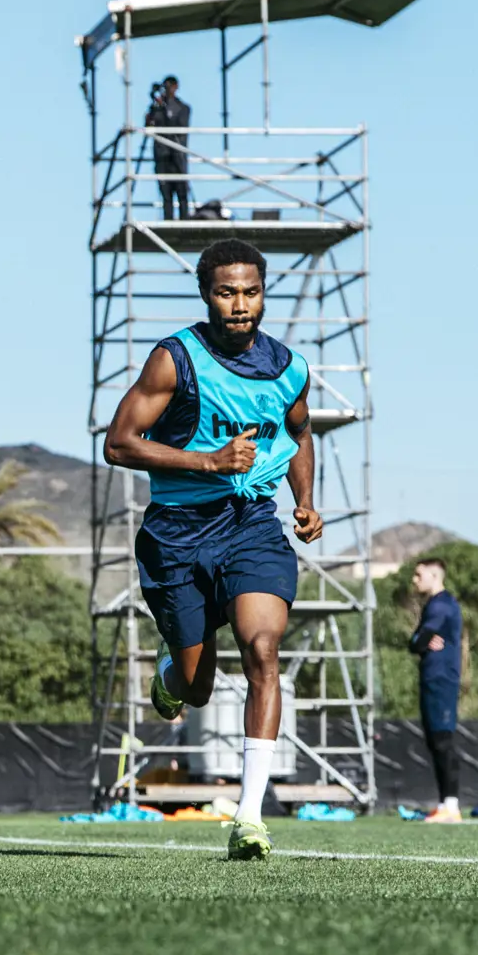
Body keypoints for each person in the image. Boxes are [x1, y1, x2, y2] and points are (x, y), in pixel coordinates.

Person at [102, 236, 321, 862]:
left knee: (263, 650)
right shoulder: (174, 360)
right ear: (207, 295)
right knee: (197, 687)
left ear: (263, 295)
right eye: (226, 293)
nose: (240, 304)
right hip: (177, 533)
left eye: (251, 292)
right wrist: (208, 461)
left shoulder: (290, 368)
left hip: (252, 524)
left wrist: (305, 501)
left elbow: (300, 433)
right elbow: (118, 443)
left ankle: (249, 817)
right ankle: (172, 675)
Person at [406, 559, 464, 823]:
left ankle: (451, 806)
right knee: (435, 741)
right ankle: (444, 804)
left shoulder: (441, 605)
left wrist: (421, 639)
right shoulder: (435, 604)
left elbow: (418, 641)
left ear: (434, 575)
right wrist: (420, 640)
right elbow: (416, 642)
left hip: (441, 679)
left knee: (443, 740)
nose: (415, 580)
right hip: (432, 678)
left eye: (419, 575)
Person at [145, 75, 192, 219]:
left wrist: (165, 107)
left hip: (178, 155)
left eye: (169, 86)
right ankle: (168, 221)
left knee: (182, 192)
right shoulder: (156, 108)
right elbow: (148, 126)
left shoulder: (182, 108)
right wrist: (154, 108)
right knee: (166, 192)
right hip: (162, 155)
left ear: (175, 87)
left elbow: (179, 128)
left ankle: (184, 222)